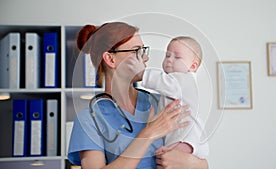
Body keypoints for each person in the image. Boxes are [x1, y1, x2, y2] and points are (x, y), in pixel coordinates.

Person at [67, 22, 209, 169]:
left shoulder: (162, 102)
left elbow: (202, 161)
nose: (145, 58)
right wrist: (148, 133)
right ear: (110, 59)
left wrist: (191, 163)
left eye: (143, 50)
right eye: (136, 51)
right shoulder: (89, 119)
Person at [141, 36, 209, 160]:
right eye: (167, 55)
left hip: (186, 138)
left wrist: (141, 73)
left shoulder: (184, 79)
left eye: (177, 57)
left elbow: (159, 80)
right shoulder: (174, 84)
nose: (169, 60)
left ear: (193, 66)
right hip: (181, 138)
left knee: (171, 155)